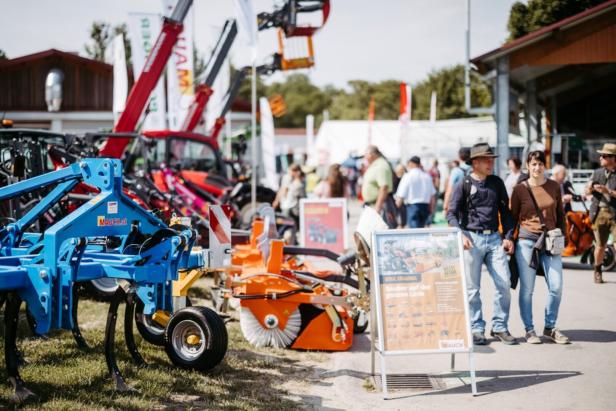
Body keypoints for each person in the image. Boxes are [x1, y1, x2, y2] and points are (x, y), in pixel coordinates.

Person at [446, 143, 516, 345]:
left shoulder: (497, 183)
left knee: (504, 283)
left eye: (491, 159)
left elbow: (506, 212)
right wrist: (460, 234)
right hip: (471, 239)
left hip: (495, 238)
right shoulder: (464, 183)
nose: (491, 162)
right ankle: (477, 329)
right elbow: (451, 213)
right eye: (486, 159)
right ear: (474, 162)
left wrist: (508, 236)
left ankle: (500, 327)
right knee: (472, 289)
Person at [511, 150, 570, 344]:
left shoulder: (553, 186)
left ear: (545, 165)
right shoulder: (520, 189)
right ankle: (529, 329)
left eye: (540, 164)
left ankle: (550, 327)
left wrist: (564, 235)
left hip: (551, 241)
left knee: (556, 286)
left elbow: (560, 213)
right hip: (527, 241)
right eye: (533, 164)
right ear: (528, 166)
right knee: (527, 288)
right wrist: (509, 240)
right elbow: (513, 217)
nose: (537, 168)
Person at [585, 143, 616, 284]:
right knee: (600, 246)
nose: (601, 157)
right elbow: (585, 192)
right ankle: (597, 270)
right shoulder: (597, 172)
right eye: (601, 155)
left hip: (614, 213)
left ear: (613, 158)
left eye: (604, 156)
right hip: (599, 214)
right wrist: (590, 188)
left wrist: (607, 191)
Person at [395, 156, 436, 228]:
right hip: (425, 206)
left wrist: (396, 210)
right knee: (422, 231)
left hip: (412, 207)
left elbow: (400, 195)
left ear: (411, 163)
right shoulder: (427, 176)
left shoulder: (408, 176)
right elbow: (432, 195)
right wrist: (432, 209)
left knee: (414, 233)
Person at [361, 145, 393, 214]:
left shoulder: (381, 166)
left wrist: (378, 207)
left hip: (379, 207)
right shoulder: (375, 165)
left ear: (372, 154)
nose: (365, 157)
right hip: (372, 205)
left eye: (366, 155)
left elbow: (384, 187)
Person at [443, 148, 471, 214]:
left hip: (458, 203)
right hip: (473, 203)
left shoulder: (456, 171)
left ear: (459, 157)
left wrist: (445, 206)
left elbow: (449, 190)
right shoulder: (474, 169)